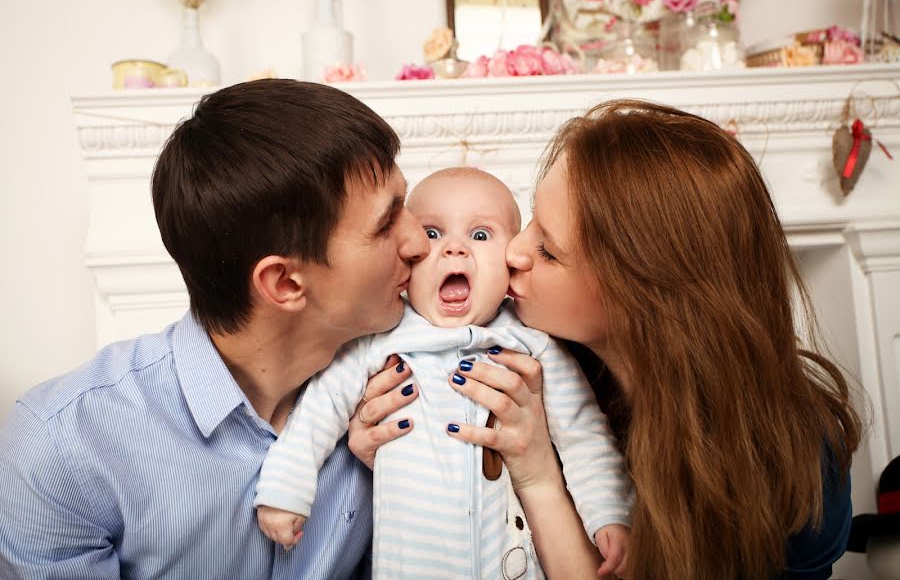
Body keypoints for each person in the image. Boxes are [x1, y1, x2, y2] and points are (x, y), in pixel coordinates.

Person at [0, 79, 431, 579]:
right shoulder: (59, 450)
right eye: (386, 223)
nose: (420, 241)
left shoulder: (398, 395)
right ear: (285, 282)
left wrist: (406, 483)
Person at [438, 100, 863, 579]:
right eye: (530, 221)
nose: (513, 251)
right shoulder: (530, 361)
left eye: (549, 251)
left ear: (639, 296)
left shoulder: (798, 464)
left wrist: (539, 478)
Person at [253, 168, 632, 579]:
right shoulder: (381, 339)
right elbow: (318, 411)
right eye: (432, 234)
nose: (454, 249)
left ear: (510, 263)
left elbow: (583, 434)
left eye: (480, 235)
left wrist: (609, 515)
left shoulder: (533, 344)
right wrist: (285, 491)